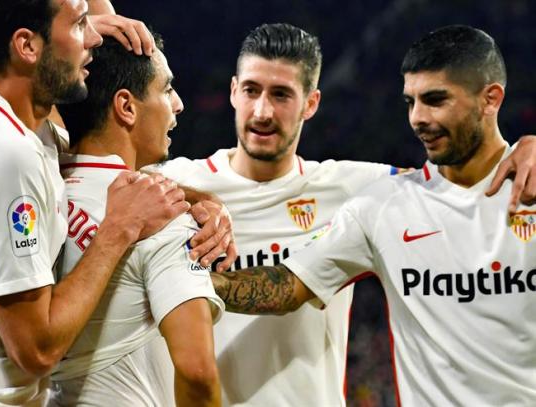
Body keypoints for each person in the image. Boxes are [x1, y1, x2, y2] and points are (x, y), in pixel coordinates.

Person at [152, 23, 536, 406]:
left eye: (282, 94)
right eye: (252, 90)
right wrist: (192, 200)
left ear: (311, 103)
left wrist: (526, 144)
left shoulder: (362, 189)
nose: (263, 111)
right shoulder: (172, 182)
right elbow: (106, 181)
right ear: (234, 91)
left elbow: (446, 185)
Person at [0, 1, 191, 405]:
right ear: (27, 46)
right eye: (81, 24)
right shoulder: (5, 156)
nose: (96, 37)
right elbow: (36, 350)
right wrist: (119, 229)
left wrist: (200, 199)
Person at [49, 34, 223, 406]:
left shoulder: (37, 184)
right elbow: (198, 371)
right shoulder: (160, 218)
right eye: (167, 89)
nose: (177, 104)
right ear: (126, 106)